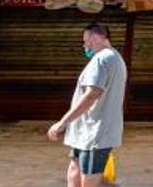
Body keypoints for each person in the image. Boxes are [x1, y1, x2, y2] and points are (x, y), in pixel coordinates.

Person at [47, 23, 127, 187]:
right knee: (75, 169)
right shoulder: (113, 58)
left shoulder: (102, 58)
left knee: (89, 178)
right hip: (85, 132)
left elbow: (92, 94)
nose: (85, 46)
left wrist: (63, 122)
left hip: (95, 133)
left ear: (97, 37)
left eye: (86, 41)